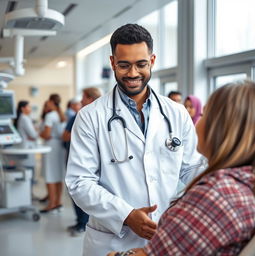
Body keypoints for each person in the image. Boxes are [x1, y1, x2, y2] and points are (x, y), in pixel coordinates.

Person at [65, 24, 203, 256]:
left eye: (141, 64)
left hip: (164, 238)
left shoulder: (176, 113)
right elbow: (80, 182)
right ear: (112, 62)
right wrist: (126, 215)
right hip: (111, 241)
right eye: (124, 65)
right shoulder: (90, 116)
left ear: (152, 60)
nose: (132, 73)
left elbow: (193, 170)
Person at [107, 80, 255, 256]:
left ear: (219, 128)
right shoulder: (243, 183)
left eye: (204, 115)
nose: (197, 122)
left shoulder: (214, 196)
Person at [62, 88, 102, 236]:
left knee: (78, 189)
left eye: (83, 97)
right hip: (96, 162)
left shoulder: (80, 115)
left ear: (90, 98)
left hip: (78, 159)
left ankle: (81, 224)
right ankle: (83, 223)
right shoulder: (101, 114)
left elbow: (65, 137)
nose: (81, 101)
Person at [40, 94, 66, 213]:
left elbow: (46, 134)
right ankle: (58, 202)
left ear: (51, 102)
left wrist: (39, 133)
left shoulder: (50, 115)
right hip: (60, 147)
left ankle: (51, 204)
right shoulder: (61, 115)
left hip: (51, 146)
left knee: (50, 175)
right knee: (58, 176)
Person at [13, 100, 38, 183]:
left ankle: (29, 194)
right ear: (23, 108)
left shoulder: (22, 118)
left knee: (27, 171)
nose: (30, 108)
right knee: (29, 173)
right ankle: (29, 195)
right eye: (29, 106)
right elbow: (34, 135)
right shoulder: (24, 118)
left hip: (24, 146)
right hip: (27, 147)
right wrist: (35, 134)